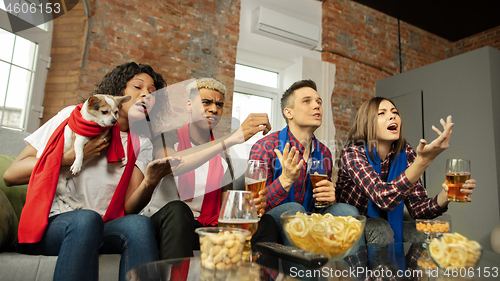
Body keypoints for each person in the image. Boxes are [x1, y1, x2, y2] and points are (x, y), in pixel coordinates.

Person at [3, 62, 173, 281]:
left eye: (152, 93)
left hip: (105, 225)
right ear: (118, 91)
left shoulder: (142, 143)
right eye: (138, 87)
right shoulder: (73, 119)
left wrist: (149, 182)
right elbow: (11, 175)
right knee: (86, 219)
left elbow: (129, 208)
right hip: (56, 224)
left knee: (140, 224)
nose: (146, 95)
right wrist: (70, 158)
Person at [130, 78, 278, 260]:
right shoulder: (166, 138)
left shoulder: (224, 158)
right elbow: (171, 165)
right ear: (190, 106)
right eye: (206, 102)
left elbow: (226, 211)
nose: (214, 109)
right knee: (179, 210)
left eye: (219, 104)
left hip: (202, 228)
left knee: (266, 222)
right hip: (166, 223)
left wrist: (248, 208)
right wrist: (232, 138)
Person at [335, 97, 476, 244]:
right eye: (382, 113)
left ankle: (413, 267)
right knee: (380, 227)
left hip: (389, 222)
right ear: (366, 124)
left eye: (394, 112)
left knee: (438, 226)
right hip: (354, 224)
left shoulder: (406, 153)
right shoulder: (352, 153)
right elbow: (382, 197)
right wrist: (423, 161)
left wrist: (445, 196)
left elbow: (417, 209)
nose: (392, 115)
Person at [249, 79, 359, 245]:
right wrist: (284, 181)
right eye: (307, 101)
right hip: (273, 220)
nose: (316, 106)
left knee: (347, 211)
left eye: (319, 102)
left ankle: (342, 270)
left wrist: (330, 198)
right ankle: (300, 271)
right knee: (294, 211)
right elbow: (252, 208)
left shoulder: (324, 152)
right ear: (288, 112)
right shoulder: (266, 146)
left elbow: (320, 207)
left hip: (311, 217)